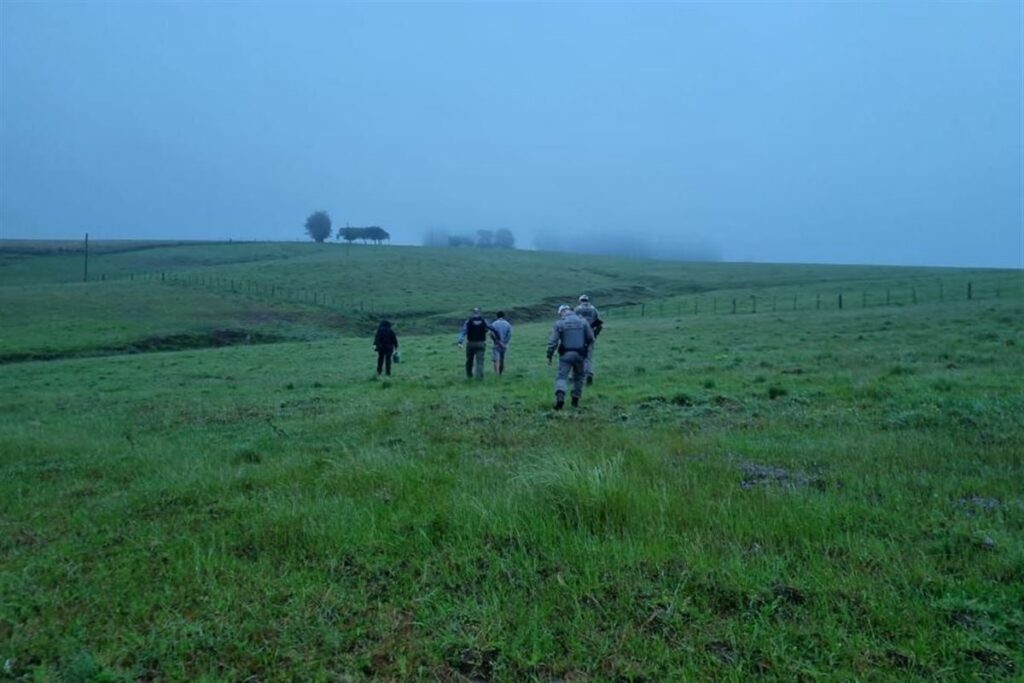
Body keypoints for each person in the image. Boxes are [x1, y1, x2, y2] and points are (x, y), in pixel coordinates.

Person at [546, 304, 595, 410]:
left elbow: (553, 342)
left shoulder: (560, 323)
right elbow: (591, 338)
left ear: (562, 312)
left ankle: (560, 397)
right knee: (579, 377)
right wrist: (586, 351)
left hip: (565, 355)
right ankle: (575, 401)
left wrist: (549, 355)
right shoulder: (583, 322)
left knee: (561, 377)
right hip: (580, 355)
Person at [456, 307, 492, 379]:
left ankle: (469, 375)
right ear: (479, 313)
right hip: (481, 343)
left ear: (472, 313)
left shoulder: (468, 322)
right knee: (480, 361)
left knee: (469, 360)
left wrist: (460, 342)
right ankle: (479, 377)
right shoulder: (484, 321)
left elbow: (463, 332)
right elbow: (490, 329)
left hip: (471, 343)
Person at [574, 294, 602, 385]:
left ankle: (574, 376)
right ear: (587, 300)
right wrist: (595, 334)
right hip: (590, 335)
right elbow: (599, 324)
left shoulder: (577, 309)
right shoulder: (594, 309)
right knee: (588, 357)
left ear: (580, 301)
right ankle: (589, 373)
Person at [489, 311, 513, 375]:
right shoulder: (507, 324)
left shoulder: (494, 324)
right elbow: (510, 334)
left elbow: (491, 334)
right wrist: (504, 342)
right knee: (502, 359)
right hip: (504, 345)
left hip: (496, 344)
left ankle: (496, 373)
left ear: (497, 316)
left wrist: (496, 341)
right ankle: (501, 373)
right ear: (504, 316)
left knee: (496, 360)